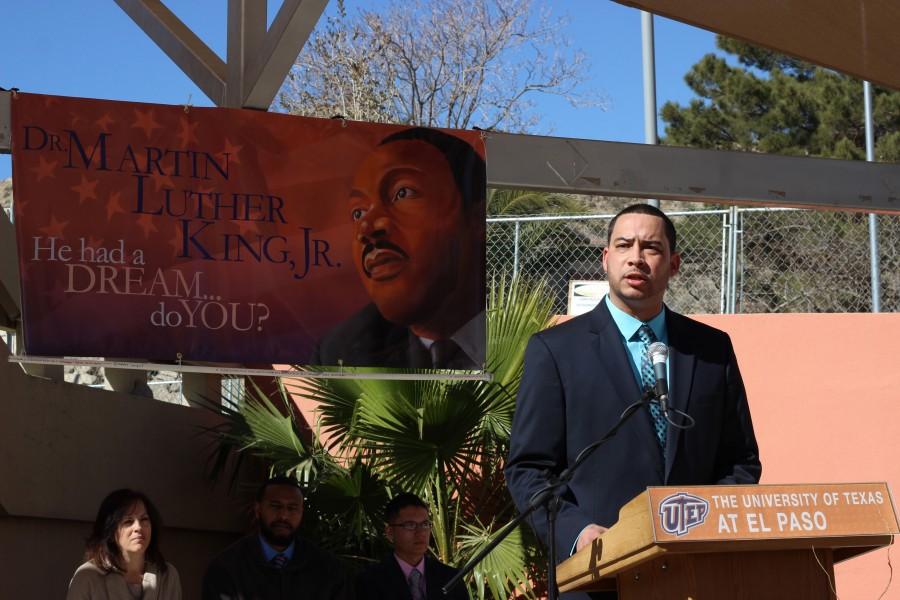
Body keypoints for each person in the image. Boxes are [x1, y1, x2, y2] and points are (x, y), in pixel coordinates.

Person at [504, 203, 761, 599]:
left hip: (695, 577)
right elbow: (529, 470)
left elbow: (740, 462)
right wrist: (579, 531)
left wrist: (706, 525)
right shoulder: (556, 351)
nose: (636, 258)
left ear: (673, 264)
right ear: (606, 259)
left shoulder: (711, 349)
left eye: (651, 248)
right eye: (624, 245)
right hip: (598, 578)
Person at [311, 127, 486, 370]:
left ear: (476, 218)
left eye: (402, 193)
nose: (367, 227)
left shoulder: (522, 335)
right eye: (358, 212)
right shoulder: (342, 348)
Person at [202, 476, 352, 600]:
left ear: (301, 512)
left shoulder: (328, 569)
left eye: (292, 508)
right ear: (258, 509)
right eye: (275, 506)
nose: (283, 516)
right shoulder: (227, 567)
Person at [67, 488, 182, 600]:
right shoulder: (87, 577)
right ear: (110, 531)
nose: (138, 527)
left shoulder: (168, 576)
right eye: (128, 521)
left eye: (144, 519)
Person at [356, 493, 469, 600]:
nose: (420, 532)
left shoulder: (451, 578)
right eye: (410, 525)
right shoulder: (369, 582)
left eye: (424, 525)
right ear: (390, 533)